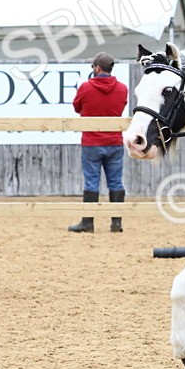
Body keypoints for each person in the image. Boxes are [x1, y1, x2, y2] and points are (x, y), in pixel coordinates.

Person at [68, 52, 129, 234]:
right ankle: (116, 223)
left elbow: (77, 107)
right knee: (116, 182)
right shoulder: (122, 88)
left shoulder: (86, 87)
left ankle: (88, 222)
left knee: (91, 182)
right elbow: (121, 106)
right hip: (114, 141)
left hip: (92, 142)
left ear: (97, 68)